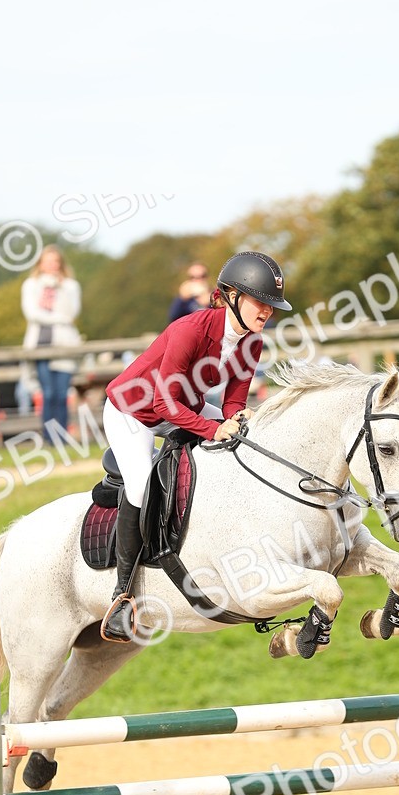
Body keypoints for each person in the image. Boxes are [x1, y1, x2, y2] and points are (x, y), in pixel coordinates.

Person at [100, 250, 292, 643]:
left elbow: (233, 403)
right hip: (133, 411)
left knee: (240, 439)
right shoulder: (189, 329)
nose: (267, 312)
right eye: (261, 302)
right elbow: (162, 405)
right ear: (233, 297)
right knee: (140, 485)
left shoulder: (251, 343)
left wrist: (235, 421)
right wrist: (213, 429)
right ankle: (121, 597)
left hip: (181, 404)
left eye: (272, 306)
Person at [21, 245, 82, 444]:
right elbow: (33, 314)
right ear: (40, 264)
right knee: (47, 393)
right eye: (48, 262)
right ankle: (48, 438)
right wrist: (59, 318)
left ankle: (62, 438)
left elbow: (71, 313)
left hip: (65, 346)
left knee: (62, 393)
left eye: (55, 262)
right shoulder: (31, 285)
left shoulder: (70, 286)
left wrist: (59, 288)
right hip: (41, 346)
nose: (52, 266)